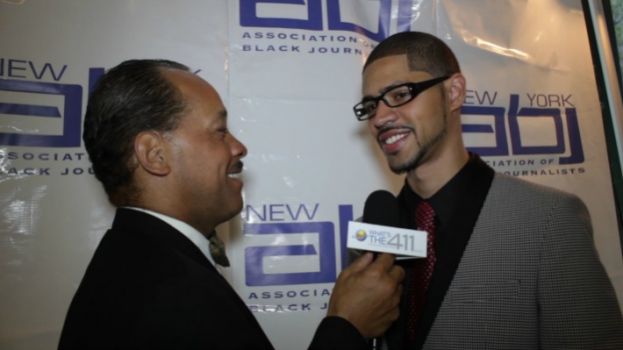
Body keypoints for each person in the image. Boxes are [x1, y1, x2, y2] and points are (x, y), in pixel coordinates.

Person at [58, 59, 405, 350]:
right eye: (219, 131)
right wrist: (347, 327)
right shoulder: (166, 293)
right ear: (155, 154)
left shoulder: (139, 262)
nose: (239, 147)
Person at [353, 31, 623, 349]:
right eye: (370, 106)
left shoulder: (549, 219)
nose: (380, 118)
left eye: (400, 94)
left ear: (453, 93)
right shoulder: (371, 234)